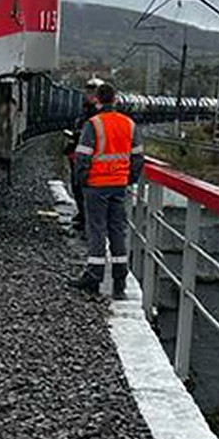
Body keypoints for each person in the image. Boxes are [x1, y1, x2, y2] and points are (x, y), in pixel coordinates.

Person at [71, 82, 144, 299]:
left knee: (97, 231)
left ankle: (94, 278)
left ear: (98, 100)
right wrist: (129, 178)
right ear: (116, 99)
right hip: (119, 185)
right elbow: (138, 157)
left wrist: (82, 181)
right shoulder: (129, 124)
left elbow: (82, 157)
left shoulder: (93, 124)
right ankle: (119, 283)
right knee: (117, 231)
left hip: (96, 186)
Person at [63, 77, 102, 232]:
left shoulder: (98, 113)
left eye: (92, 91)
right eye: (88, 91)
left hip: (90, 159)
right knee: (78, 187)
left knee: (86, 189)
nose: (88, 94)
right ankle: (83, 216)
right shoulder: (85, 111)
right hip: (79, 156)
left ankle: (87, 220)